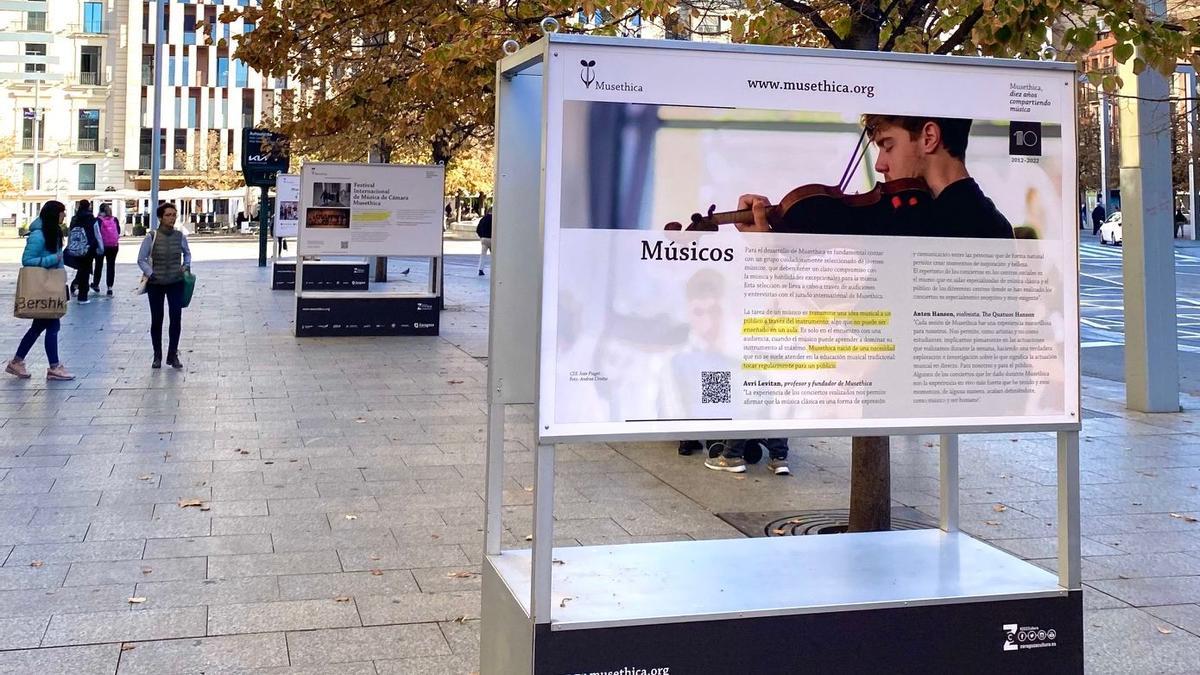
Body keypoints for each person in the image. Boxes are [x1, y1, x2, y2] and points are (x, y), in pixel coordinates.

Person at [732, 115, 1012, 239]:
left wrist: (768, 255)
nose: (879, 165)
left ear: (929, 138)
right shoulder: (994, 224)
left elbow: (854, 340)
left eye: (888, 146)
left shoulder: (927, 222)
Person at [6, 200, 75, 381]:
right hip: (43, 287)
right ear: (54, 214)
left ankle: (17, 361)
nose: (65, 215)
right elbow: (27, 260)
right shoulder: (39, 235)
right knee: (52, 325)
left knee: (39, 327)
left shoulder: (54, 232)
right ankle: (53, 367)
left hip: (51, 288)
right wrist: (53, 258)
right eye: (62, 212)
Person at [137, 202, 192, 369]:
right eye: (168, 215)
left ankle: (172, 354)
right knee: (157, 319)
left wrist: (186, 265)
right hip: (156, 284)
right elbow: (141, 258)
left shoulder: (179, 236)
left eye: (174, 215)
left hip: (176, 282)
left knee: (176, 318)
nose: (172, 218)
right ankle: (157, 355)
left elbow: (187, 253)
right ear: (160, 217)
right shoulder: (151, 237)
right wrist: (151, 273)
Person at [67, 200, 103, 304]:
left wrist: (70, 246)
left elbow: (70, 233)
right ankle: (83, 296)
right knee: (85, 270)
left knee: (81, 269)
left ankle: (75, 287)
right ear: (89, 207)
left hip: (76, 247)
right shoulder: (92, 219)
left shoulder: (74, 218)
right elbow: (97, 234)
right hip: (88, 248)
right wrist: (100, 248)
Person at [92, 203, 120, 296]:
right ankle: (110, 287)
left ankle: (96, 284)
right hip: (113, 246)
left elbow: (95, 233)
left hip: (101, 246)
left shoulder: (98, 220)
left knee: (98, 265)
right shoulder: (114, 219)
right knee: (111, 266)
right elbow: (118, 231)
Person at [476, 209, 493, 276]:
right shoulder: (494, 219)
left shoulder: (483, 219)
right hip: (492, 239)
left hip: (484, 239)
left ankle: (480, 269)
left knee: (483, 255)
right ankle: (494, 269)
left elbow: (477, 229)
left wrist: (481, 236)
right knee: (494, 256)